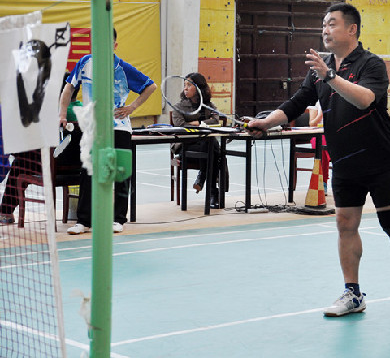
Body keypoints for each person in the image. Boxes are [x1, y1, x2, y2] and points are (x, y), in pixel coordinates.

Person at [246, 2, 390, 316]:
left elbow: (365, 99)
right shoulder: (321, 67)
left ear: (352, 29)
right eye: (324, 24)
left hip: (379, 159)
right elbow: (297, 102)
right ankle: (353, 293)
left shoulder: (371, 64)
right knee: (345, 224)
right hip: (344, 161)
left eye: (332, 24)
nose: (325, 30)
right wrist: (266, 122)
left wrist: (329, 77)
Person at [59, 28, 156, 234]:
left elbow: (151, 86)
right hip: (93, 128)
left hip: (119, 127)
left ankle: (118, 218)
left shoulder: (123, 68)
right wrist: (62, 114)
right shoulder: (85, 63)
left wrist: (132, 107)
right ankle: (84, 221)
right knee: (88, 171)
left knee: (120, 173)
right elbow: (69, 88)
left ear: (114, 45)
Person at [0, 74, 82, 225]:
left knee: (21, 163)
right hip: (80, 168)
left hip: (53, 166)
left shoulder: (55, 113)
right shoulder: (84, 110)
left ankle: (5, 212)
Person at [170, 72, 226, 208]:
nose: (185, 88)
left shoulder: (209, 105)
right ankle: (213, 192)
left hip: (205, 145)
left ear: (199, 88)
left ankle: (202, 177)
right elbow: (181, 126)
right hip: (185, 146)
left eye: (189, 85)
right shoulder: (178, 107)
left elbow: (216, 120)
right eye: (184, 85)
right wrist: (201, 124)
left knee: (210, 145)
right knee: (215, 150)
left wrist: (198, 123)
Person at [307, 101, 330, 194]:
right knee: (322, 146)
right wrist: (321, 115)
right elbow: (312, 124)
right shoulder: (315, 102)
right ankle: (322, 182)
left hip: (334, 133)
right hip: (318, 134)